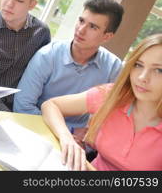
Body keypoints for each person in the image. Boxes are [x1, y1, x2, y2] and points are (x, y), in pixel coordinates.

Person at [41, 33, 162, 171]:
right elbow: (51, 105)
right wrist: (67, 139)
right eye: (138, 65)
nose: (142, 77)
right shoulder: (114, 96)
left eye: (159, 70)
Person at [13, 0, 124, 130]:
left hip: (80, 142)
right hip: (38, 129)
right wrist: (66, 134)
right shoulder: (48, 55)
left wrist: (86, 136)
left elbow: (112, 117)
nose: (81, 30)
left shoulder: (114, 68)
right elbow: (22, 106)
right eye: (81, 20)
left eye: (93, 27)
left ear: (107, 37)